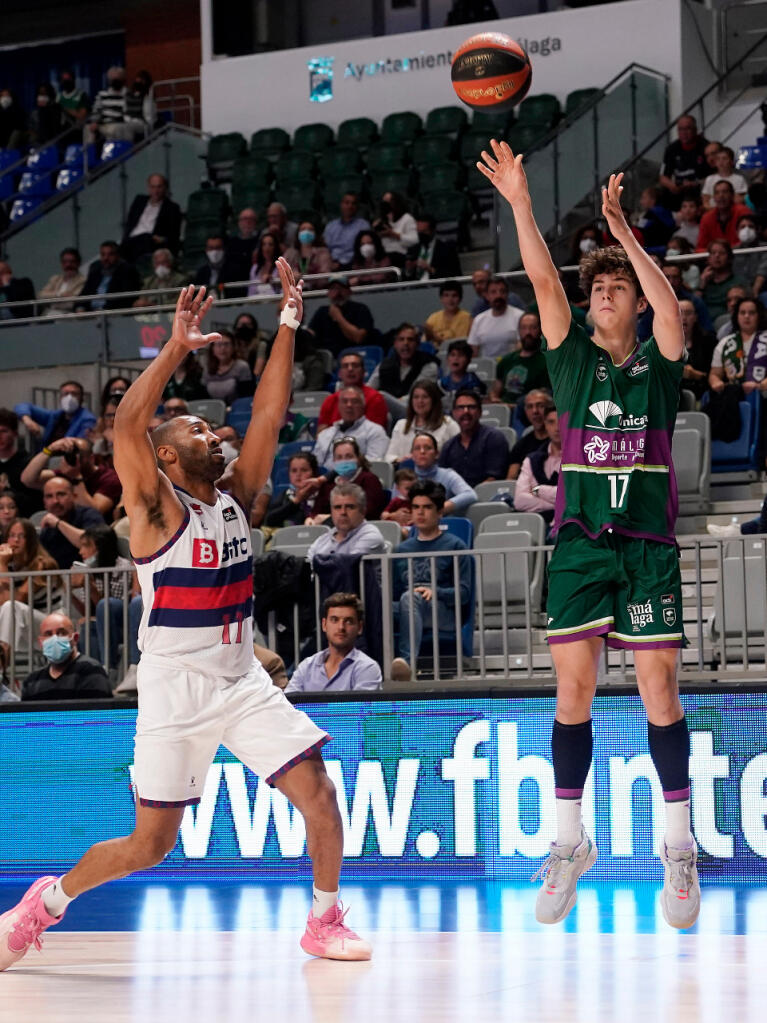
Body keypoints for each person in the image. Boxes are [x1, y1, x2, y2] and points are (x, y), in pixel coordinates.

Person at [0, 265, 371, 970]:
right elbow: (127, 425)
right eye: (198, 428)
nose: (215, 431)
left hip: (241, 678)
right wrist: (173, 347)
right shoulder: (155, 506)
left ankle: (323, 919)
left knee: (319, 790)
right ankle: (42, 904)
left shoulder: (236, 496)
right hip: (173, 687)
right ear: (170, 455)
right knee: (149, 846)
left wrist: (289, 323)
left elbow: (267, 413)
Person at [479, 140, 698, 927]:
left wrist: (624, 235)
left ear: (632, 301)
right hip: (577, 543)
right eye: (596, 286)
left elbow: (671, 311)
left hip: (643, 548)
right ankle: (569, 841)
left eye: (616, 288)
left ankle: (676, 847)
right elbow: (542, 279)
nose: (606, 295)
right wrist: (520, 204)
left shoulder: (659, 366)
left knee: (657, 690)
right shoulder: (569, 362)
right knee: (572, 691)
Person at [390, 480, 471, 680]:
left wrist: (437, 592)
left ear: (440, 512)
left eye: (427, 507)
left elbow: (465, 593)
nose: (420, 513)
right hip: (408, 607)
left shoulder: (455, 546)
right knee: (377, 607)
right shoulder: (401, 550)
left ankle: (407, 663)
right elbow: (393, 593)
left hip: (443, 611)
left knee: (411, 598)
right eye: (416, 507)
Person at [285, 593, 382, 694]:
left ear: (360, 627)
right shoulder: (306, 666)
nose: (341, 627)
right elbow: (287, 706)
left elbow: (360, 709)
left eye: (348, 621)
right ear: (324, 625)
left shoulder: (367, 668)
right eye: (334, 620)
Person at [0, 518, 59, 664]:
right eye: (12, 536)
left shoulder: (43, 564)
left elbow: (14, 602)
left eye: (21, 536)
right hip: (20, 625)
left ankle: (1, 665)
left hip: (49, 623)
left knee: (10, 607)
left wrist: (1, 565)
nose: (16, 540)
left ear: (31, 540)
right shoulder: (11, 566)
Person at [21, 437, 122, 523]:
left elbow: (95, 511)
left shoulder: (109, 478)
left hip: (95, 531)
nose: (74, 458)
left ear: (91, 458)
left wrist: (76, 478)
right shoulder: (65, 474)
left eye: (79, 455)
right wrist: (49, 449)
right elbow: (27, 479)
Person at [20, 612, 112, 701]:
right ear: (41, 642)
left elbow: (96, 713)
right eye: (48, 634)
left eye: (61, 633)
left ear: (75, 638)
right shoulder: (32, 681)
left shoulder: (91, 671)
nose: (54, 638)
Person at [439, 389, 509, 487]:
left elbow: (494, 478)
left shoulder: (493, 438)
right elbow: (442, 481)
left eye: (471, 407)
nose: (466, 411)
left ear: (480, 412)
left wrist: (468, 496)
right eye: (461, 407)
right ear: (454, 413)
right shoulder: (448, 447)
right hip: (456, 498)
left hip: (487, 497)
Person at [308, 437, 386, 521]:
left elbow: (368, 512)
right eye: (339, 457)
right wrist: (310, 519)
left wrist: (330, 518)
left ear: (358, 458)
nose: (344, 461)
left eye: (348, 456)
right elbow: (316, 512)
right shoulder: (328, 484)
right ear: (334, 460)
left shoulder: (369, 479)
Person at [307, 482, 386, 563]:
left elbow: (347, 568)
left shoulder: (371, 537)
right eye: (337, 507)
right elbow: (307, 570)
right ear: (331, 512)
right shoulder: (320, 541)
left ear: (363, 511)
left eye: (350, 507)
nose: (343, 512)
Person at [37, 476, 105, 570]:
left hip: (91, 577)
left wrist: (58, 523)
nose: (55, 501)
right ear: (44, 502)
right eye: (49, 496)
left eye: (61, 494)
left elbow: (93, 543)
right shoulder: (47, 529)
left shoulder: (89, 514)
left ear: (74, 497)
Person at [385, 379, 460, 464]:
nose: (420, 401)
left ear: (434, 400)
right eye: (416, 397)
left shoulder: (448, 424)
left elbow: (459, 454)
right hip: (405, 473)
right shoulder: (401, 425)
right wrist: (400, 460)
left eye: (425, 397)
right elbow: (389, 457)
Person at [313, 387, 389, 466]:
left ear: (363, 406)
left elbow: (374, 463)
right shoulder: (326, 434)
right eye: (344, 401)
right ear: (339, 406)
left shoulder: (375, 431)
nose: (349, 405)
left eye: (355, 402)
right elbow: (316, 464)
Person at [513, 408, 561, 525]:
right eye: (551, 422)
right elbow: (519, 501)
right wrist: (557, 506)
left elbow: (573, 498)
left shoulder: (583, 458)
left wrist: (538, 490)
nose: (557, 428)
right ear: (545, 425)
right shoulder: (532, 460)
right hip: (536, 523)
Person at [317, 352, 387, 432]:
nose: (350, 369)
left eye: (355, 366)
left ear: (363, 372)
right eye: (345, 366)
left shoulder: (375, 398)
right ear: (339, 374)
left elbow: (374, 433)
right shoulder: (330, 400)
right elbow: (321, 434)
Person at [306, 274, 374, 357]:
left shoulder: (360, 309)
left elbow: (358, 338)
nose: (337, 292)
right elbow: (310, 334)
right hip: (326, 357)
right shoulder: (322, 311)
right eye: (333, 288)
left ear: (349, 291)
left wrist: (338, 317)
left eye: (341, 288)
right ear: (328, 293)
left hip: (354, 354)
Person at [409, 432, 476, 515]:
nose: (422, 451)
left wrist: (439, 509)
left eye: (427, 448)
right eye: (417, 448)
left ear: (436, 454)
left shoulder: (448, 475)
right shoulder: (405, 477)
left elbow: (470, 495)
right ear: (412, 454)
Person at [490, 311, 550, 404]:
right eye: (524, 328)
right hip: (504, 409)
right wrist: (494, 399)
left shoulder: (546, 362)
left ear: (540, 330)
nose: (528, 332)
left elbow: (544, 396)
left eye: (533, 328)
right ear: (519, 331)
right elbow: (495, 392)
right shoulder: (506, 361)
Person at [15, 380, 96, 448]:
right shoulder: (54, 416)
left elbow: (80, 444)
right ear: (60, 398)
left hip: (67, 459)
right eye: (65, 394)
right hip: (46, 455)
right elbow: (22, 406)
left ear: (82, 398)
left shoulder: (87, 419)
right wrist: (27, 420)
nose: (69, 398)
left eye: (74, 394)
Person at [122, 174, 182, 262]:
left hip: (151, 242)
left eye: (159, 187)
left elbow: (174, 236)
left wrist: (162, 239)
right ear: (148, 188)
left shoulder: (172, 208)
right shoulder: (139, 200)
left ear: (165, 188)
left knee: (145, 238)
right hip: (131, 241)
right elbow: (130, 223)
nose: (155, 191)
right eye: (152, 187)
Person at [369, 322, 439, 396]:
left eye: (410, 339)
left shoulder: (429, 366)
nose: (406, 343)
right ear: (395, 344)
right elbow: (369, 390)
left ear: (417, 344)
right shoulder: (384, 365)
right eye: (401, 339)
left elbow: (419, 396)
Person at [658, 114, 709, 208]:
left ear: (695, 129)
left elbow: (715, 175)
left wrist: (697, 183)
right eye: (681, 129)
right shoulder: (671, 149)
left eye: (687, 129)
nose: (684, 133)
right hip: (679, 190)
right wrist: (672, 186)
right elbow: (663, 177)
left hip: (701, 189)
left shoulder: (706, 147)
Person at [76, 241, 142, 312]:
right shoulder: (95, 270)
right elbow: (84, 294)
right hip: (91, 314)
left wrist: (106, 310)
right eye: (103, 254)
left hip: (113, 314)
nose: (106, 258)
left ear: (118, 255)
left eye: (110, 254)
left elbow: (127, 299)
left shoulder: (127, 271)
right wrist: (80, 308)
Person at [467, 277, 523, 358]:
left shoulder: (520, 317)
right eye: (493, 292)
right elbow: (473, 352)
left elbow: (522, 348)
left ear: (507, 294)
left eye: (502, 291)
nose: (498, 295)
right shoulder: (478, 320)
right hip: (486, 368)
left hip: (512, 366)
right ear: (487, 296)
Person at [265, 452, 322, 528]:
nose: (298, 474)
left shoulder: (323, 494)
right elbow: (269, 520)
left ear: (314, 472)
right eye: (294, 471)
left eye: (304, 470)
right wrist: (296, 501)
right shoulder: (286, 495)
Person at [0, 410, 41, 514]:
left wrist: (6, 490)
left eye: (4, 431)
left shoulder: (28, 463)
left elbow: (36, 502)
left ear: (15, 433)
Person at [506, 390, 554, 480]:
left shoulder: (560, 440)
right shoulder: (520, 446)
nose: (535, 411)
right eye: (530, 407)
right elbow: (511, 479)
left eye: (540, 406)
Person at [697, 240, 749, 321]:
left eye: (722, 253)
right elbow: (695, 306)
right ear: (709, 258)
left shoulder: (739, 282)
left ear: (729, 258)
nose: (717, 256)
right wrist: (702, 284)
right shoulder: (704, 281)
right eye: (713, 253)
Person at [695, 181, 751, 252]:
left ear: (732, 195)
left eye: (725, 192)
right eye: (717, 193)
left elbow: (749, 242)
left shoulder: (743, 212)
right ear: (714, 197)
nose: (721, 195)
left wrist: (724, 251)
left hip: (741, 257)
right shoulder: (706, 218)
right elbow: (699, 248)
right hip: (716, 259)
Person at [405, 214, 461, 281]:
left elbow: (455, 274)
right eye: (418, 232)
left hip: (436, 287)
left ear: (433, 231)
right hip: (416, 288)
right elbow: (406, 277)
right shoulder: (413, 250)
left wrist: (431, 269)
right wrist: (409, 270)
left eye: (424, 231)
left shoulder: (447, 249)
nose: (421, 235)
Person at [202, 331, 253, 404]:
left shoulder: (242, 367)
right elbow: (203, 397)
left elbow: (246, 397)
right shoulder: (207, 369)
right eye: (219, 344)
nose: (223, 348)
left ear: (233, 347)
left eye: (226, 344)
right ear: (212, 348)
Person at [679, 298, 717, 400]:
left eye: (688, 313)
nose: (683, 317)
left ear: (695, 317)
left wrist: (696, 375)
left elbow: (717, 376)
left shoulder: (709, 341)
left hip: (702, 392)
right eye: (679, 312)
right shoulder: (662, 342)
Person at [324, 194, 371, 270]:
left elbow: (366, 248)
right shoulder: (330, 226)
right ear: (341, 205)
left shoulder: (363, 225)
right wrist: (330, 262)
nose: (350, 206)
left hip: (356, 265)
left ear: (357, 207)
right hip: (333, 265)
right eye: (347, 203)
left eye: (353, 203)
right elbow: (325, 249)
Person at [373, 192, 418, 267]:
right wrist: (376, 234)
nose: (386, 204)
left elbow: (414, 241)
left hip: (400, 256)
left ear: (396, 202)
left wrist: (393, 234)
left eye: (388, 201)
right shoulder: (381, 220)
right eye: (384, 202)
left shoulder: (407, 218)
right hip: (384, 257)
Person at [422, 281, 473, 346]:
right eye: (446, 295)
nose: (450, 300)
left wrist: (436, 338)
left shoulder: (468, 318)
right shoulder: (433, 318)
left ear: (460, 299)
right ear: (441, 298)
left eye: (454, 296)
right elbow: (424, 341)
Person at [38, 248, 86, 316]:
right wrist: (59, 295)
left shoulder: (83, 280)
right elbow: (41, 296)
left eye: (72, 261)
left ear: (78, 263)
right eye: (65, 262)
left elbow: (73, 302)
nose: (68, 265)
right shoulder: (55, 279)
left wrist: (52, 300)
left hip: (69, 316)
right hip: (49, 314)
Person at [87, 66, 129, 144]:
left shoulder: (128, 95)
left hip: (119, 124)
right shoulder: (102, 94)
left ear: (123, 80)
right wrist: (95, 121)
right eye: (113, 79)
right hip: (103, 124)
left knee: (114, 129)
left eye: (117, 79)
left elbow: (128, 113)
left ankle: (113, 154)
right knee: (87, 129)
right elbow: (96, 111)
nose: (115, 81)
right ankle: (88, 154)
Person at [284, 220, 332, 284]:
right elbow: (281, 272)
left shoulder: (323, 252)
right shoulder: (290, 252)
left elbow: (325, 276)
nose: (306, 232)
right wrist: (291, 274)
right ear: (298, 233)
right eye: (303, 229)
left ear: (315, 233)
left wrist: (305, 278)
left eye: (310, 229)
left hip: (316, 291)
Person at [225, 208, 260, 280]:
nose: (248, 222)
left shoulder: (261, 240)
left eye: (251, 219)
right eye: (245, 219)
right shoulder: (231, 243)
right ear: (239, 222)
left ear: (256, 222)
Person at [28, 83, 65, 147]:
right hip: (38, 141)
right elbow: (30, 127)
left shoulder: (56, 108)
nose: (42, 95)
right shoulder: (35, 112)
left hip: (53, 140)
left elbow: (57, 127)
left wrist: (48, 107)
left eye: (45, 92)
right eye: (40, 93)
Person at [248, 230, 282, 297]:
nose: (267, 248)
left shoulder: (281, 267)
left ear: (275, 247)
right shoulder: (255, 268)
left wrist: (272, 282)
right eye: (264, 244)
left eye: (270, 244)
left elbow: (282, 291)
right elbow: (251, 292)